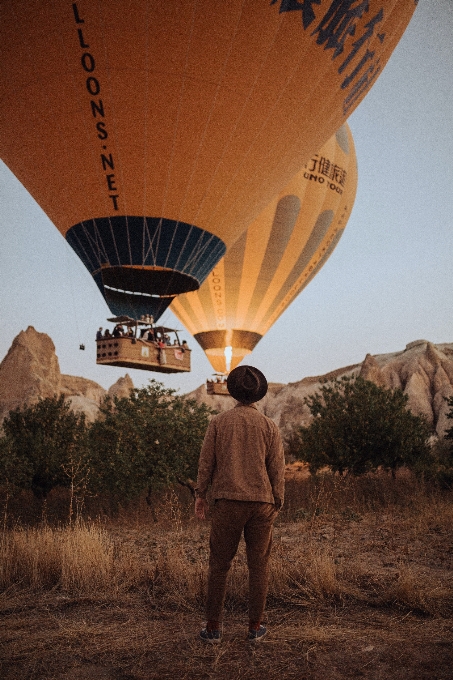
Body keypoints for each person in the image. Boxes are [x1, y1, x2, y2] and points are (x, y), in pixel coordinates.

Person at [195, 365, 285, 644]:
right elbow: (277, 470)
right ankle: (254, 627)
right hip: (262, 503)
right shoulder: (270, 426)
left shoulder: (218, 422)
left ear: (233, 392)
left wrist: (200, 494)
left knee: (219, 565)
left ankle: (213, 629)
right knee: (259, 565)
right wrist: (277, 502)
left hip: (227, 501)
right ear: (258, 394)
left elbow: (206, 462)